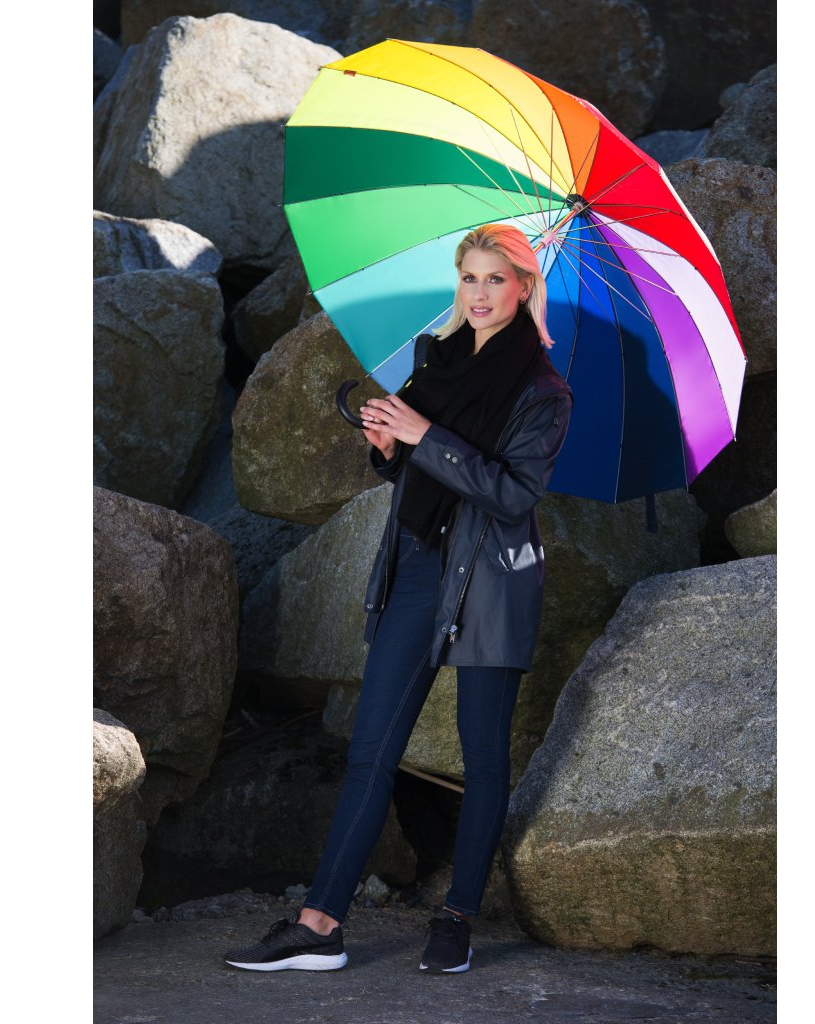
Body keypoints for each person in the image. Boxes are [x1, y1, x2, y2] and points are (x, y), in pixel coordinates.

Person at [225, 223, 573, 974]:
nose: (479, 294)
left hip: (492, 581)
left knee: (483, 760)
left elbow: (514, 495)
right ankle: (320, 925)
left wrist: (424, 435)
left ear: (524, 288)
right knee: (371, 750)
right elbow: (423, 474)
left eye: (496, 279)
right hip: (418, 566)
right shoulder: (434, 365)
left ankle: (456, 919)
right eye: (469, 277)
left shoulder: (544, 391)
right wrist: (390, 451)